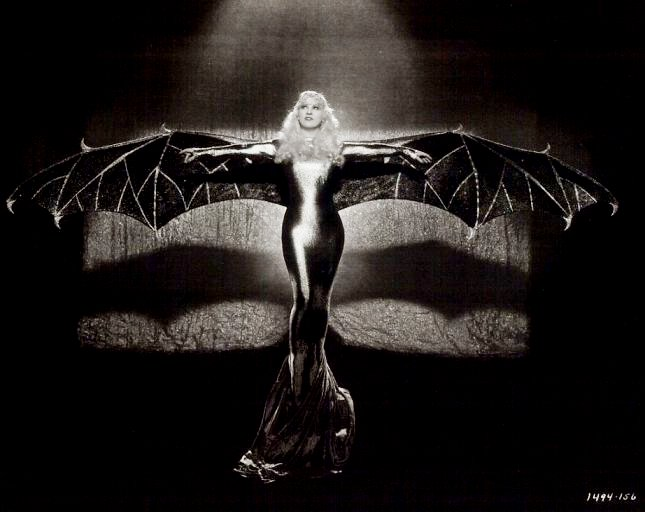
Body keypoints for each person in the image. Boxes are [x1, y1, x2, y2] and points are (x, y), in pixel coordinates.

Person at [182, 91, 431, 481]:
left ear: (324, 115)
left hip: (329, 229)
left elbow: (374, 151)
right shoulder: (282, 148)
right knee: (302, 296)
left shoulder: (336, 149)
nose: (310, 112)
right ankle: (300, 369)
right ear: (296, 114)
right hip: (298, 228)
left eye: (316, 108)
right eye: (304, 108)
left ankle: (315, 364)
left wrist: (403, 152)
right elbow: (242, 151)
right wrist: (205, 154)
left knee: (320, 303)